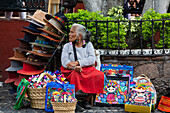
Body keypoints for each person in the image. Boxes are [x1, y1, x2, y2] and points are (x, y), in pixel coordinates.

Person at [60, 23, 104, 111]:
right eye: (70, 32)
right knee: (75, 75)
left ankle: (86, 100)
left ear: (79, 36)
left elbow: (91, 60)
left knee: (100, 76)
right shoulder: (67, 46)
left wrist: (77, 63)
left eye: (72, 32)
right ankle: (73, 102)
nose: (69, 34)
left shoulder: (88, 45)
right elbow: (65, 62)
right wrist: (73, 67)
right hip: (71, 70)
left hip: (86, 69)